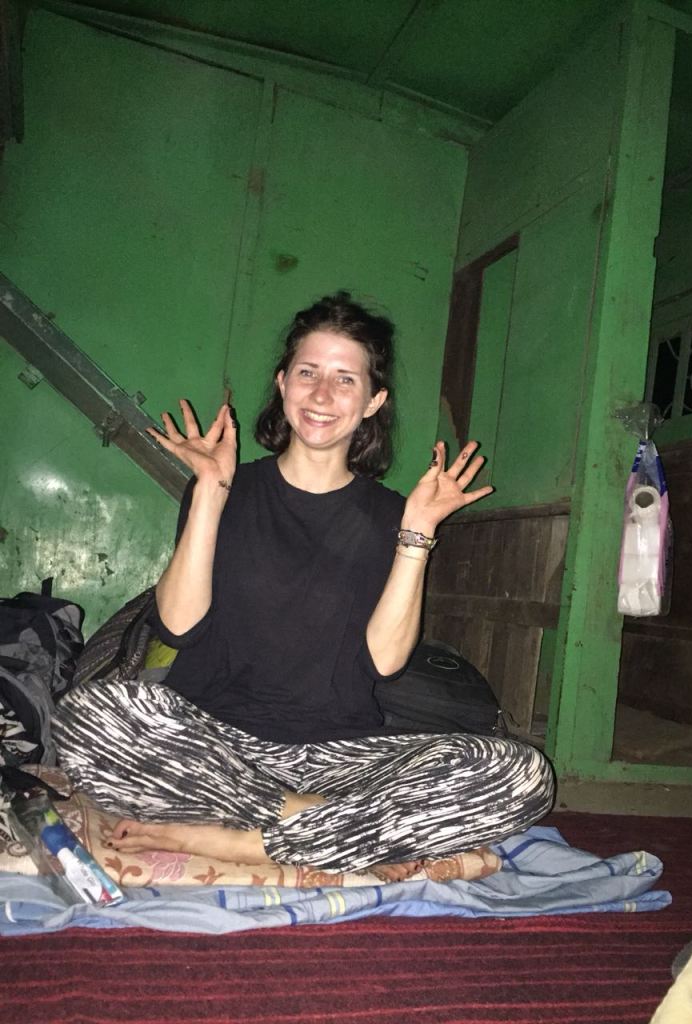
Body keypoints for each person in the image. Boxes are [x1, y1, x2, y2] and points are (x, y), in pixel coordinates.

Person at [53, 292, 554, 878]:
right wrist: (211, 490)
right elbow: (177, 626)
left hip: (337, 756)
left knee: (523, 776)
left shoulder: (391, 515)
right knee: (90, 715)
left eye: (346, 380)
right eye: (308, 373)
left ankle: (242, 841)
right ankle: (325, 826)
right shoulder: (226, 488)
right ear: (283, 383)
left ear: (373, 401)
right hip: (215, 743)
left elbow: (386, 662)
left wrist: (417, 533)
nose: (321, 395)